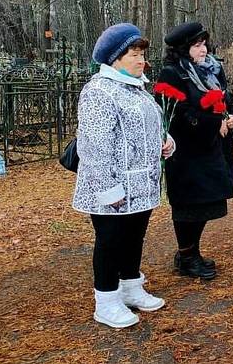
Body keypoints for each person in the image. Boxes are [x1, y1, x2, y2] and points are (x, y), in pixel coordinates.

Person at [73, 23, 174, 328]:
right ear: (114, 59)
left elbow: (148, 128)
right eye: (134, 54)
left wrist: (166, 142)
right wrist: (109, 189)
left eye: (142, 54)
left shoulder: (137, 88)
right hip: (112, 185)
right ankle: (106, 301)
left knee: (133, 238)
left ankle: (130, 286)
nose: (141, 60)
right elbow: (94, 147)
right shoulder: (99, 91)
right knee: (110, 241)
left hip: (141, 183)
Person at [157, 22, 233, 280]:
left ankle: (191, 252)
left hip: (212, 149)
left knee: (207, 204)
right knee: (189, 206)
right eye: (196, 45)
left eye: (204, 44)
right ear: (183, 49)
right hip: (188, 153)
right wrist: (214, 124)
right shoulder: (173, 73)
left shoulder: (212, 70)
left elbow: (226, 98)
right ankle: (187, 255)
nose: (203, 50)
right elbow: (176, 115)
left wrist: (231, 116)